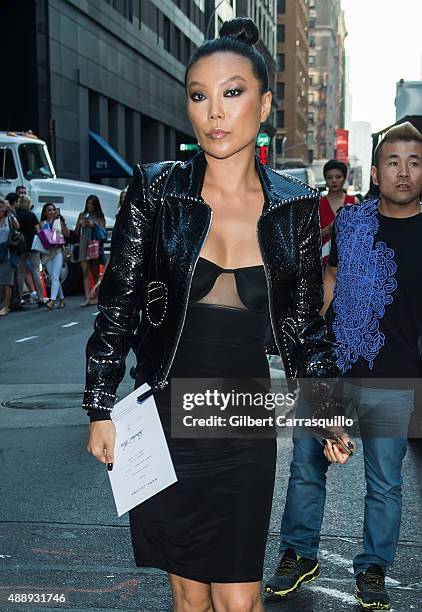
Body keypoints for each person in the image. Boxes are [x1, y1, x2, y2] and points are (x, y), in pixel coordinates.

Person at [83, 18, 352, 612]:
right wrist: (100, 404)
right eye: (199, 96)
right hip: (162, 416)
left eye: (232, 92)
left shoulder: (293, 207)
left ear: (265, 103)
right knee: (188, 597)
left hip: (241, 425)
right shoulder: (156, 191)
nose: (214, 111)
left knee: (240, 599)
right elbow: (120, 303)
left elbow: (307, 329)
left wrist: (330, 412)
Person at [266, 122, 422, 611]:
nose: (404, 172)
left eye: (415, 162)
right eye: (394, 162)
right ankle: (298, 552)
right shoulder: (352, 222)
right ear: (376, 172)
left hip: (395, 375)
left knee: (385, 483)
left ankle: (373, 567)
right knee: (306, 468)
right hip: (330, 364)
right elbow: (328, 278)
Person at [319, 159, 358, 266]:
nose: (334, 181)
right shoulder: (318, 204)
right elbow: (312, 237)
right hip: (324, 261)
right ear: (325, 180)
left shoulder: (353, 202)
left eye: (338, 177)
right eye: (329, 177)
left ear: (344, 178)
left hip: (348, 259)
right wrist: (328, 229)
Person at [74, 195, 106, 307]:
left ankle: (97, 296)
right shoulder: (82, 215)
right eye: (89, 203)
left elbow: (103, 232)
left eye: (92, 204)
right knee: (85, 271)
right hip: (84, 245)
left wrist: (94, 225)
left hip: (94, 245)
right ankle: (87, 297)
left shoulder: (99, 217)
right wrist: (80, 224)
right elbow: (76, 232)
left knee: (95, 272)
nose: (90, 206)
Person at [15, 195, 45, 307]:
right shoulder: (32, 215)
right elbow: (38, 231)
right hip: (33, 245)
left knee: (21, 271)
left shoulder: (17, 215)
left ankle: (19, 298)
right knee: (36, 270)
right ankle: (41, 297)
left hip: (22, 246)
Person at [39, 203, 70, 309]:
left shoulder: (59, 221)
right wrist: (52, 221)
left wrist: (62, 221)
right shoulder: (43, 223)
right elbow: (45, 234)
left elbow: (67, 234)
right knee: (53, 277)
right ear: (45, 213)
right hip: (47, 253)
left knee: (55, 276)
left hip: (57, 252)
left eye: (53, 210)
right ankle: (61, 299)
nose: (52, 212)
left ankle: (52, 300)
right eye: (49, 210)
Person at [0, 197, 20, 316]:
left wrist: (11, 213)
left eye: (2, 207)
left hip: (7, 251)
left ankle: (6, 306)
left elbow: (17, 227)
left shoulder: (9, 219)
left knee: (7, 281)